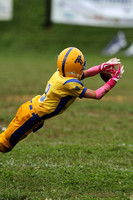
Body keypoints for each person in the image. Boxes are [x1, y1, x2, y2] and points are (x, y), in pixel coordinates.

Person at [0, 47, 124, 153]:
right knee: (4, 145)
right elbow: (97, 94)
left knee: (5, 141)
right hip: (31, 117)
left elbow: (85, 73)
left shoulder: (60, 74)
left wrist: (102, 66)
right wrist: (114, 80)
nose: (82, 68)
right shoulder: (70, 84)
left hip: (30, 110)